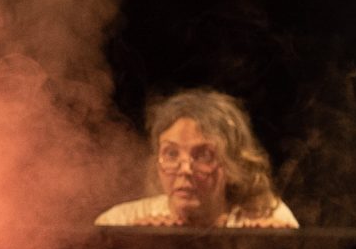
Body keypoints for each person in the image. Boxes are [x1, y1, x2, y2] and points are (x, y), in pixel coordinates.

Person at [96, 89, 301, 228]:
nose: (185, 169)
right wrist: (138, 246)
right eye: (171, 154)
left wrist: (270, 248)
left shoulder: (268, 218)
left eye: (204, 155)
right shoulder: (120, 223)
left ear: (233, 164)